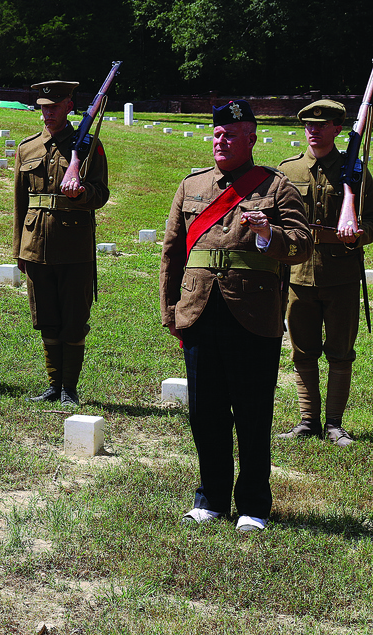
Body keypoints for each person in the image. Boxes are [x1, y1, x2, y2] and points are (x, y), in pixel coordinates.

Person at [159, 100, 312, 532]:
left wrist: (268, 234)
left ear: (251, 138)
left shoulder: (276, 187)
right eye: (217, 134)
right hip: (200, 308)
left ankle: (253, 505)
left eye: (231, 133)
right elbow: (172, 253)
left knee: (251, 412)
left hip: (253, 313)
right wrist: (170, 309)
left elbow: (302, 245)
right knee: (205, 410)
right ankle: (209, 498)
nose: (220, 140)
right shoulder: (191, 186)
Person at [275, 100, 372, 447]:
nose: (314, 130)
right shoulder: (288, 171)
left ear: (336, 129)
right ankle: (307, 421)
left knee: (340, 351)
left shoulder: (355, 172)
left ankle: (334, 424)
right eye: (309, 125)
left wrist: (359, 232)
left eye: (322, 125)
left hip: (342, 276)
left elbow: (371, 220)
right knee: (302, 350)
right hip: (299, 275)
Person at [12, 80, 110, 406]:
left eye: (54, 107)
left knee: (73, 319)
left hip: (74, 245)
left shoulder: (88, 146)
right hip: (35, 243)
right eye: (43, 107)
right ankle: (54, 385)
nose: (48, 113)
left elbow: (101, 194)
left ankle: (70, 387)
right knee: (47, 317)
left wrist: (82, 192)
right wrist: (18, 250)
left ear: (69, 105)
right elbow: (19, 203)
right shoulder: (27, 148)